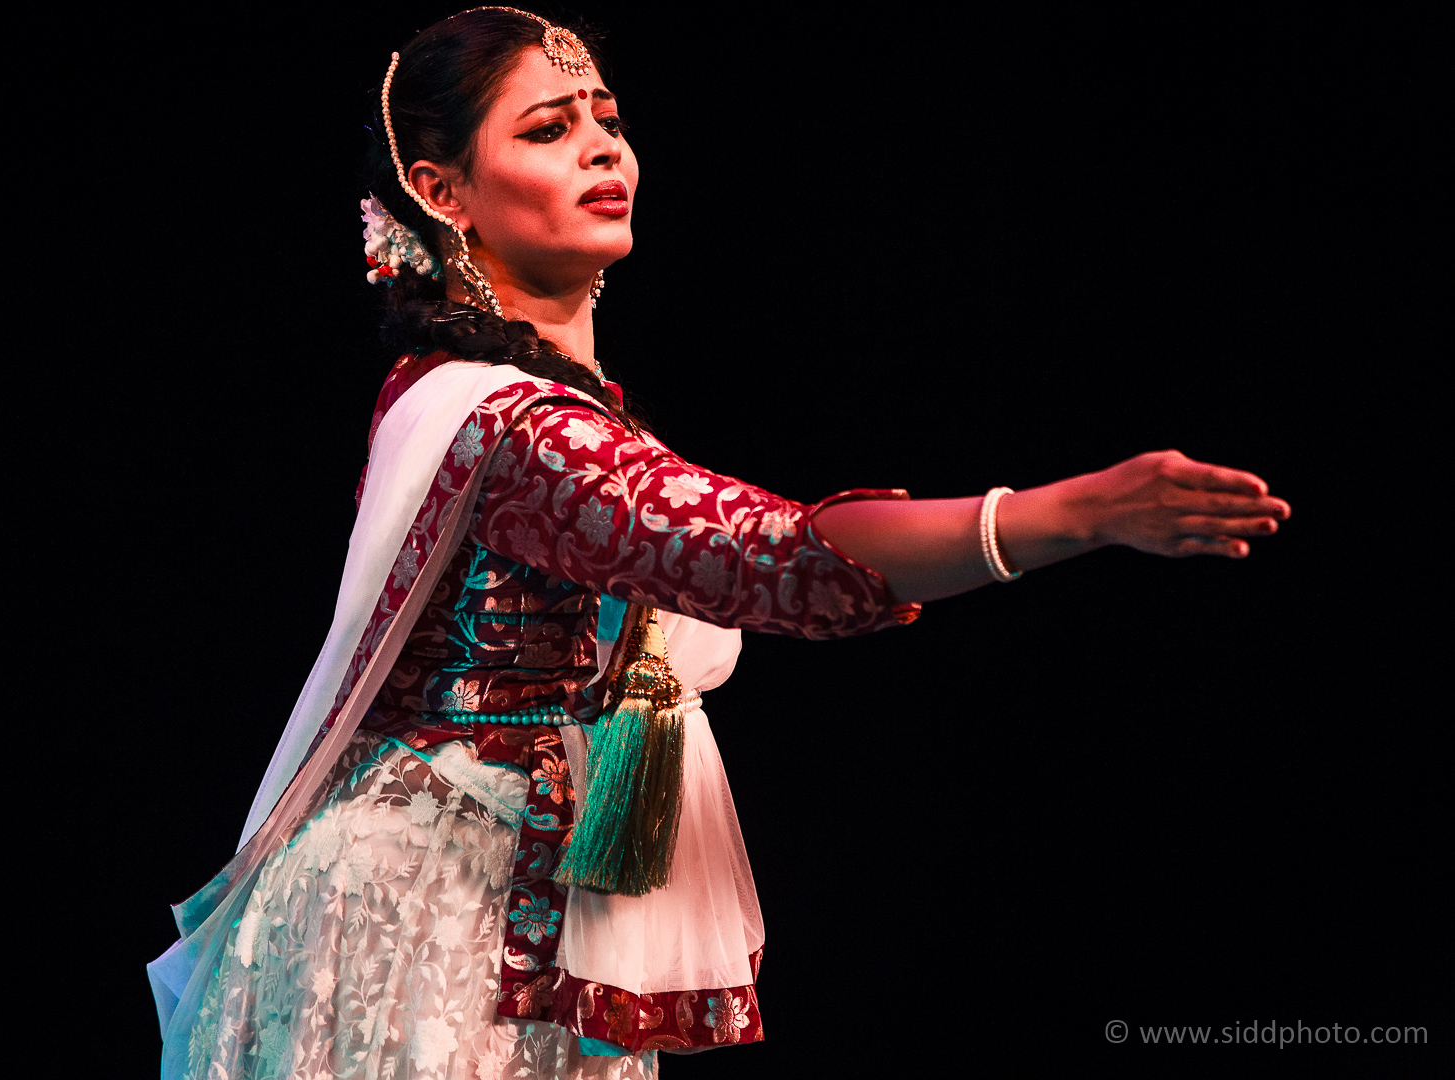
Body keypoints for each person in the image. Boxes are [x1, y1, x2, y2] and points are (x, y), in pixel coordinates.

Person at [149, 9, 1291, 1079]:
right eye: (549, 130)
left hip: (515, 899)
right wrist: (1065, 515)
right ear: (443, 192)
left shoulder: (538, 409)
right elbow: (768, 558)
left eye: (607, 119)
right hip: (443, 912)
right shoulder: (511, 429)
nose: (603, 149)